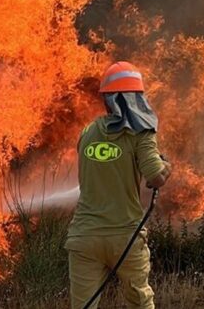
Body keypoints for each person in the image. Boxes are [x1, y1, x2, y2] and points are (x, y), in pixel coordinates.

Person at [66, 61, 171, 309]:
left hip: (84, 236)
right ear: (135, 99)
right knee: (140, 303)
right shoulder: (141, 133)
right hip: (124, 235)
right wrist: (167, 167)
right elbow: (155, 176)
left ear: (107, 99)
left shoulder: (87, 132)